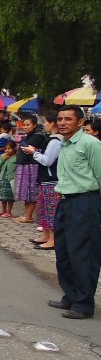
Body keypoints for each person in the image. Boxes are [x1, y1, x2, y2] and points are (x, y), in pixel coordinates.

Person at [50, 105, 101, 319]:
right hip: (64, 202)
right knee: (63, 252)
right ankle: (70, 296)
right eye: (60, 118)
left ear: (80, 122)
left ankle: (83, 304)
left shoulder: (91, 143)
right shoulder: (63, 143)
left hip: (85, 202)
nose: (62, 122)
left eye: (68, 119)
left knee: (83, 254)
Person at [26, 112, 61, 251]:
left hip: (51, 180)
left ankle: (52, 240)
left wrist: (34, 153)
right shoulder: (51, 139)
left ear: (52, 123)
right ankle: (45, 236)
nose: (44, 124)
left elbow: (47, 161)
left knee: (51, 210)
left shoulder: (56, 141)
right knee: (44, 210)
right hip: (45, 180)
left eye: (46, 122)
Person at [13, 115, 46, 223]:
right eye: (24, 125)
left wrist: (23, 143)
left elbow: (25, 147)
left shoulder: (38, 137)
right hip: (23, 165)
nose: (25, 127)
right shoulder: (27, 136)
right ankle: (26, 215)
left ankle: (28, 216)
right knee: (25, 193)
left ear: (34, 125)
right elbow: (24, 145)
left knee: (32, 192)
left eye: (28, 125)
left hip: (32, 166)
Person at [0, 140, 18, 218]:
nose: (7, 150)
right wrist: (2, 160)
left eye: (9, 148)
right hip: (3, 178)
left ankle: (9, 212)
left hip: (11, 179)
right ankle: (3, 210)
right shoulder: (3, 156)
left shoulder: (16, 158)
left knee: (10, 197)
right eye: (6, 149)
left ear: (14, 148)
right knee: (3, 196)